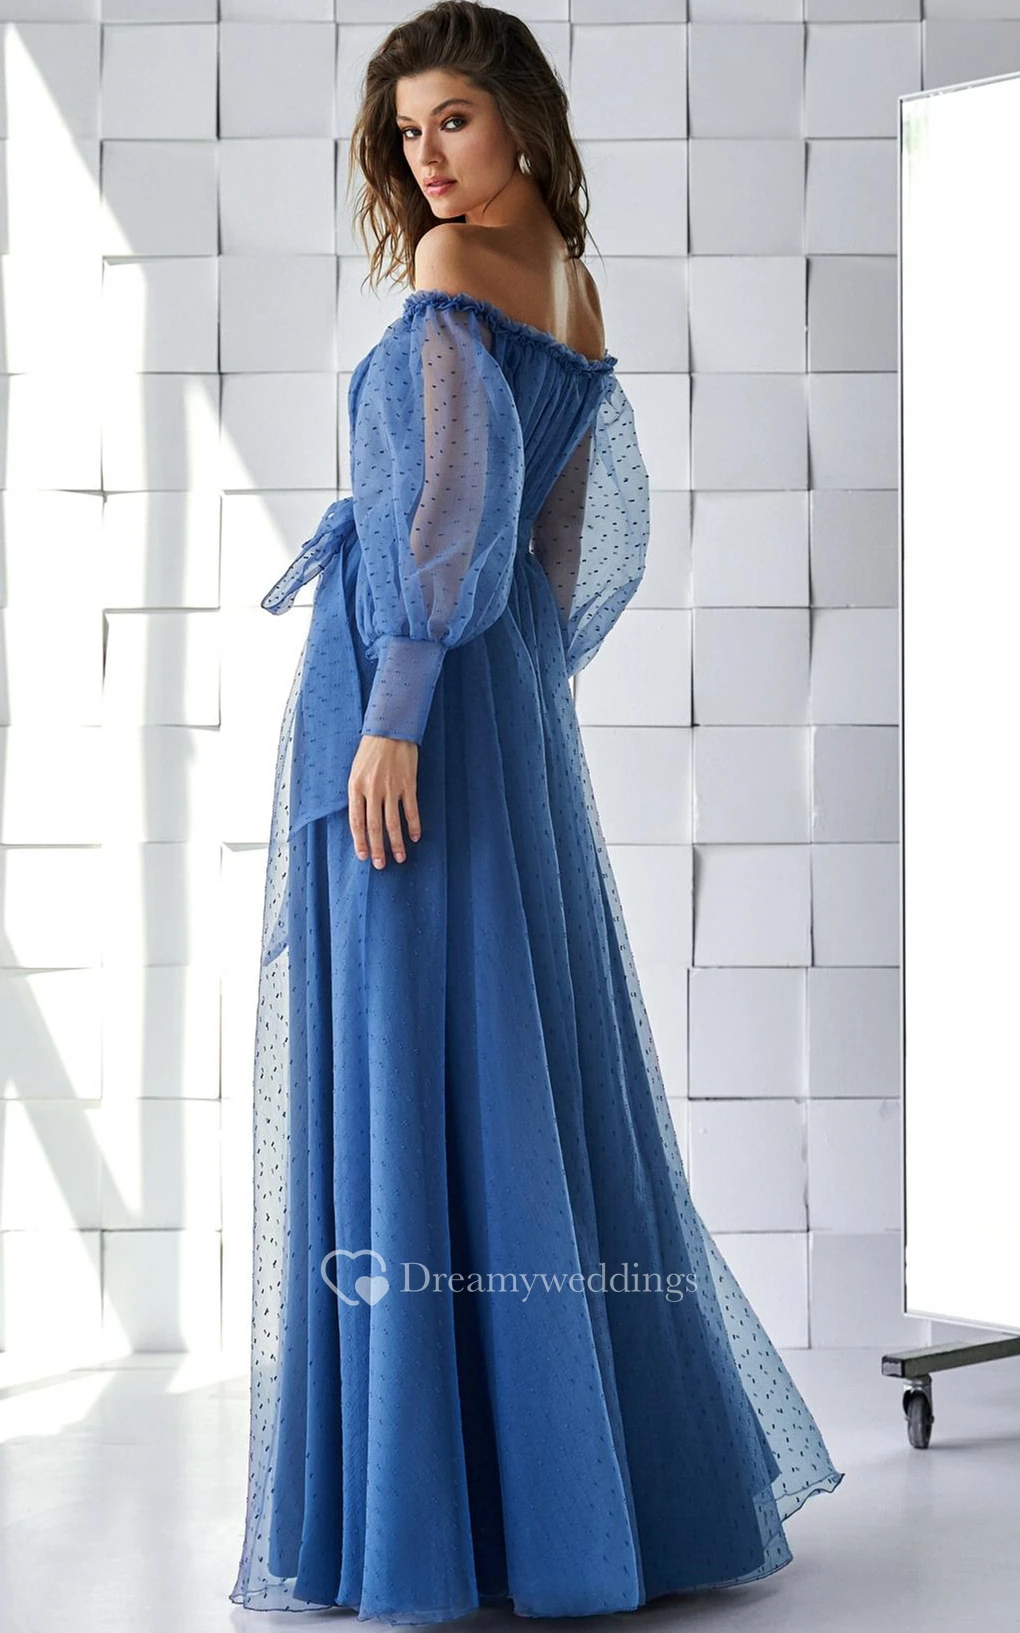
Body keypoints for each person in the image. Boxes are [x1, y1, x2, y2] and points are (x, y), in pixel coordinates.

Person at [229, 2, 844, 1621]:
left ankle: (438, 1527)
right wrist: (515, 692)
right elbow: (566, 536)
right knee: (510, 1050)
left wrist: (399, 711)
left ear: (519, 117)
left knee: (416, 1043)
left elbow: (448, 505)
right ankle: (572, 1508)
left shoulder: (451, 274)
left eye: (453, 119)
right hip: (504, 700)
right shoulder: (573, 278)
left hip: (416, 699)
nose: (427, 158)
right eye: (406, 131)